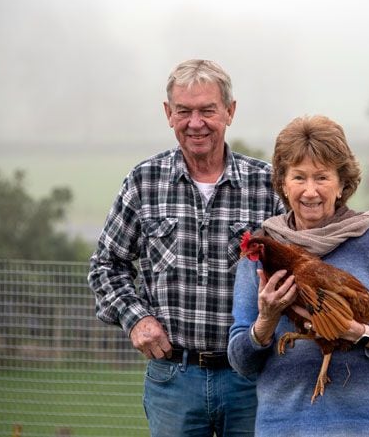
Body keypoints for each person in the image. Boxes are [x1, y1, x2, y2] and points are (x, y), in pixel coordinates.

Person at [88, 59, 285, 437]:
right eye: (184, 111)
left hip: (252, 377)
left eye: (208, 110)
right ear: (168, 114)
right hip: (173, 378)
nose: (196, 123)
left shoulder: (267, 186)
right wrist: (137, 319)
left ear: (230, 111)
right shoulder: (144, 181)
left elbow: (298, 266)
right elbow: (106, 265)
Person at [228, 115, 369, 437]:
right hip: (285, 427)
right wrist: (266, 321)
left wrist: (358, 332)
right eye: (299, 177)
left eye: (322, 177)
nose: (310, 191)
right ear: (282, 183)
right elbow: (241, 361)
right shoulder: (263, 249)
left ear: (342, 183)